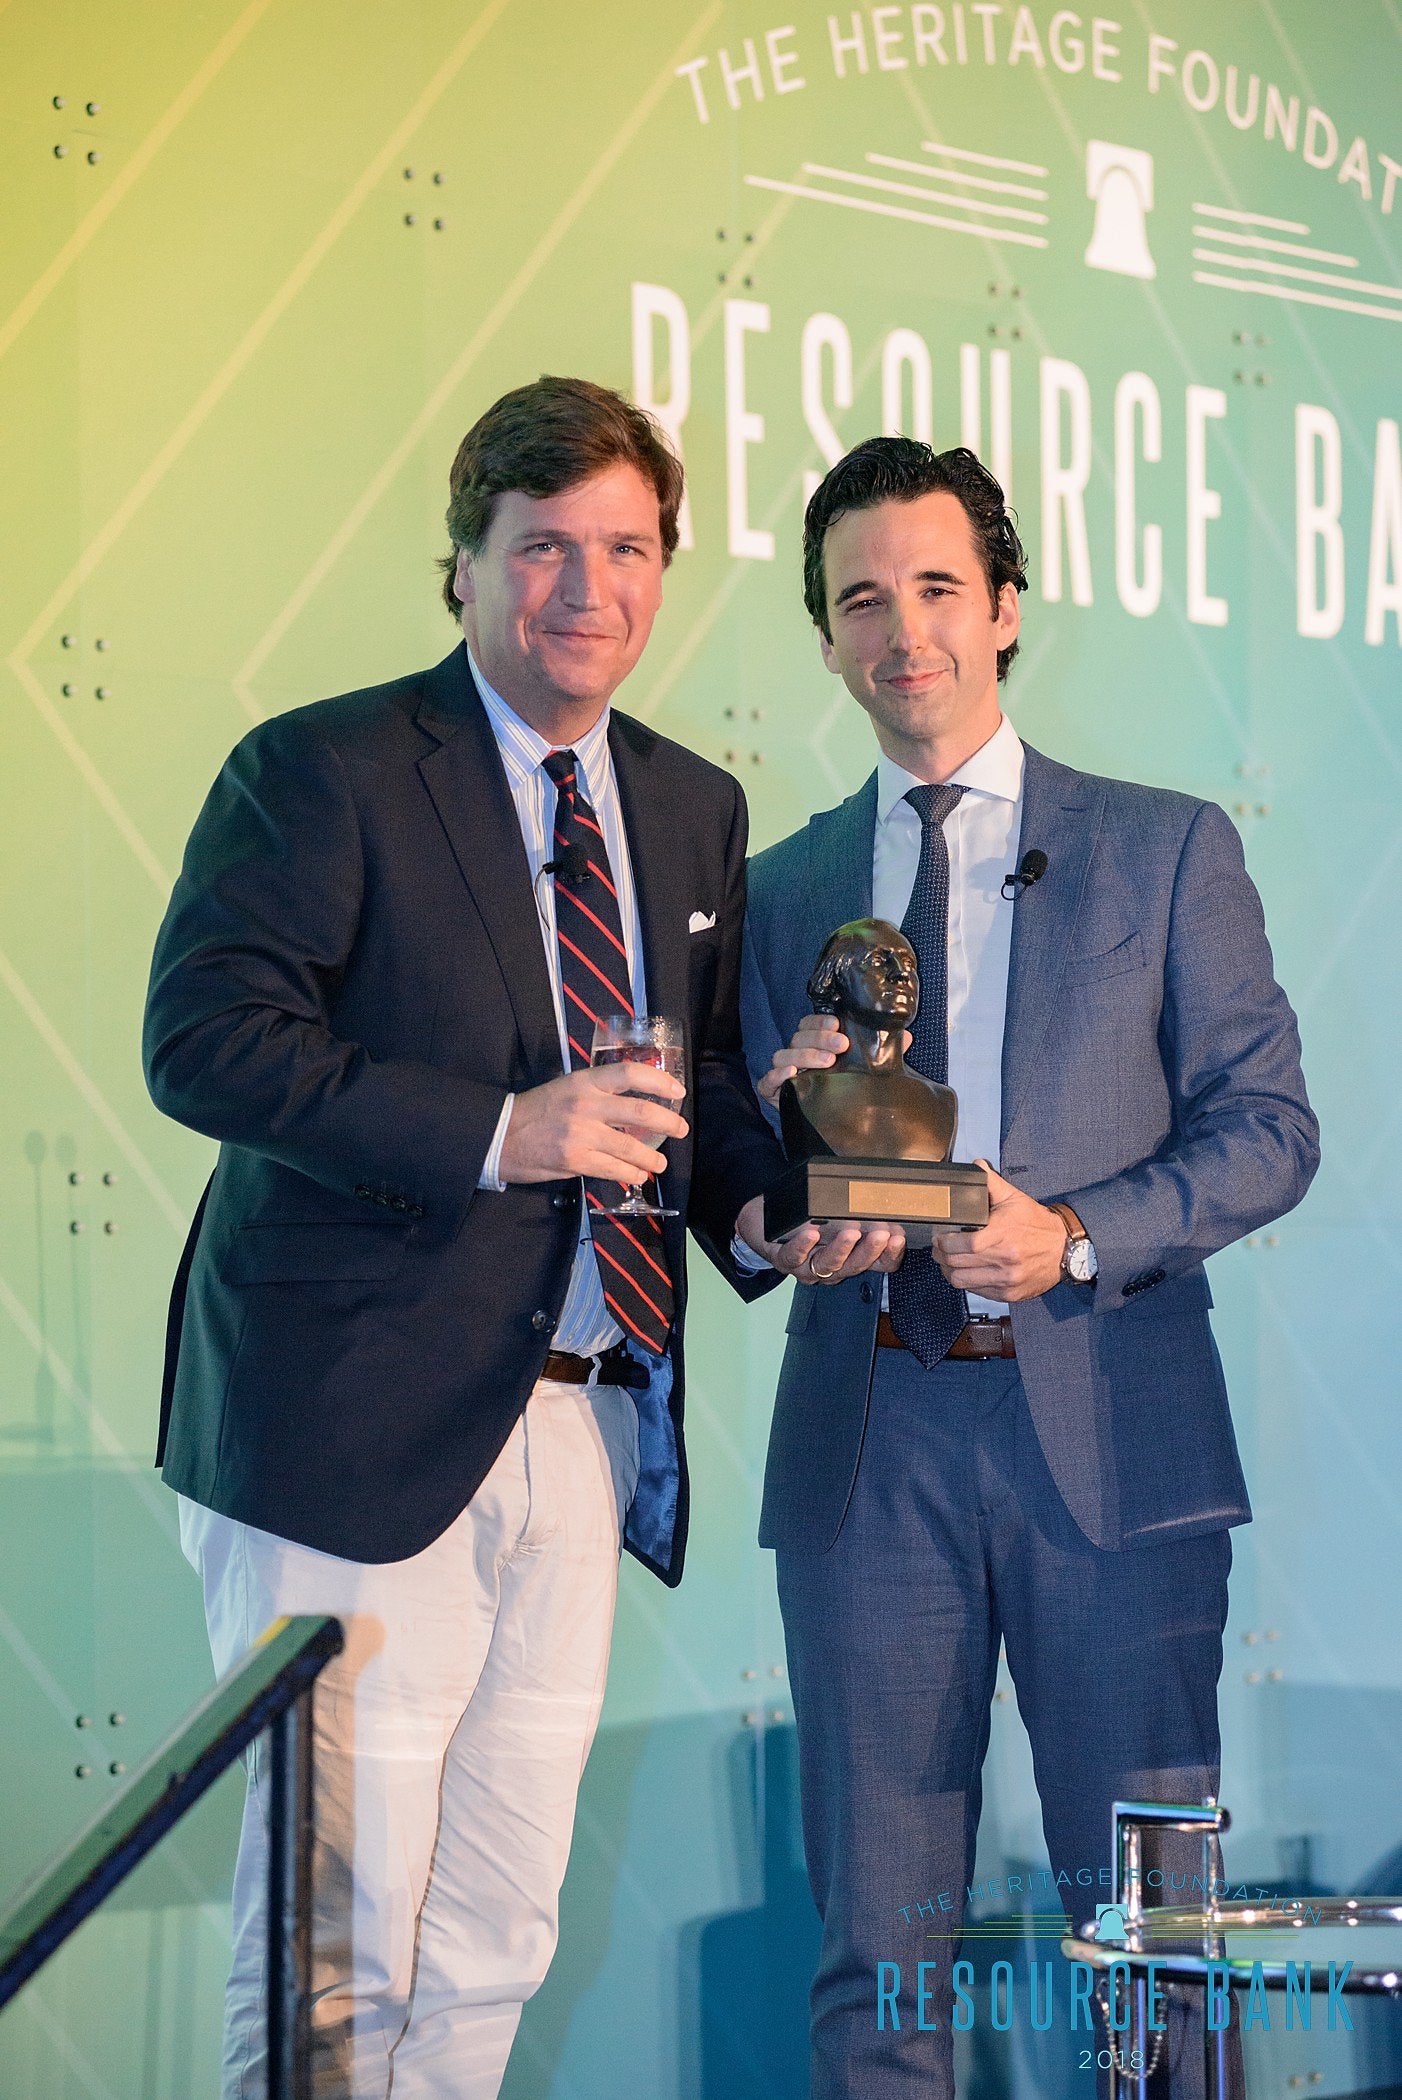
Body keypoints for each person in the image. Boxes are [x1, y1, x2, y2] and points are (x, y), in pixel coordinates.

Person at [143, 376, 824, 2098]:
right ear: (461, 564)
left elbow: (697, 1085)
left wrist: (771, 1203)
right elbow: (206, 1041)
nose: (587, 589)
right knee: (335, 1944)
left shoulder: (691, 805)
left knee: (496, 1935)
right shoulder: (325, 768)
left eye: (626, 549)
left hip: (586, 1418)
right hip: (347, 1426)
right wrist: (498, 1133)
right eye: (542, 547)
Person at [739, 438, 1320, 2097]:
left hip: (1111, 1435)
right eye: (860, 598)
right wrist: (774, 1202)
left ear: (1003, 608)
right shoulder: (778, 888)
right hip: (869, 1444)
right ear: (825, 637)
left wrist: (1066, 1234)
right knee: (876, 1951)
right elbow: (737, 1179)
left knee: (1153, 1947)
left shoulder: (1162, 848)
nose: (901, 629)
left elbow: (1269, 1130)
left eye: (936, 587)